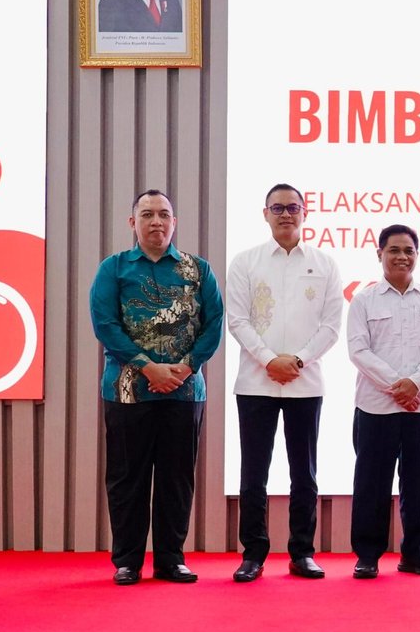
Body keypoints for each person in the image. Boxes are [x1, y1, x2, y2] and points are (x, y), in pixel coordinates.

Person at [89, 189, 223, 585]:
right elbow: (105, 325)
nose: (156, 222)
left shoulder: (198, 269)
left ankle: (170, 559)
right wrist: (149, 368)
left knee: (176, 478)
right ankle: (127, 561)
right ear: (133, 223)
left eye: (164, 214)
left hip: (184, 390)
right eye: (147, 214)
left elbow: (214, 322)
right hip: (128, 391)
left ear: (174, 222)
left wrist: (185, 367)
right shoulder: (114, 269)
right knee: (127, 478)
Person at [225, 183, 344, 583]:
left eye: (293, 207)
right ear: (265, 214)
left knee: (304, 474)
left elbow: (331, 326)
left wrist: (297, 361)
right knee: (253, 473)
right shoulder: (246, 262)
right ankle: (253, 554)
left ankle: (302, 552)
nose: (286, 214)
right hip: (255, 383)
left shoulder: (325, 264)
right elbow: (238, 320)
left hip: (305, 383)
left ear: (305, 213)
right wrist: (268, 360)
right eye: (277, 208)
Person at [347, 225, 420, 578]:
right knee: (371, 484)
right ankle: (368, 556)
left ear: (417, 255)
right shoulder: (364, 300)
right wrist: (398, 385)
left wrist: (415, 383)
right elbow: (358, 350)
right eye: (394, 250)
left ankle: (415, 554)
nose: (402, 257)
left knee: (417, 484)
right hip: (375, 407)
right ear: (380, 254)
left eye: (409, 250)